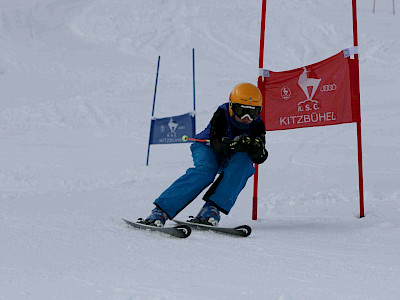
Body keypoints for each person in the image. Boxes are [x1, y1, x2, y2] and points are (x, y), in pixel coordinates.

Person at [140, 82, 268, 227]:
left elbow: (260, 157)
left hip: (230, 156)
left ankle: (211, 209)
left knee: (245, 164)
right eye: (241, 110)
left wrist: (257, 148)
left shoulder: (257, 124)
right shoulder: (222, 113)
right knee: (206, 171)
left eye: (253, 112)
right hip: (207, 147)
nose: (247, 117)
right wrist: (232, 143)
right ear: (232, 107)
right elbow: (216, 141)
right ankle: (161, 211)